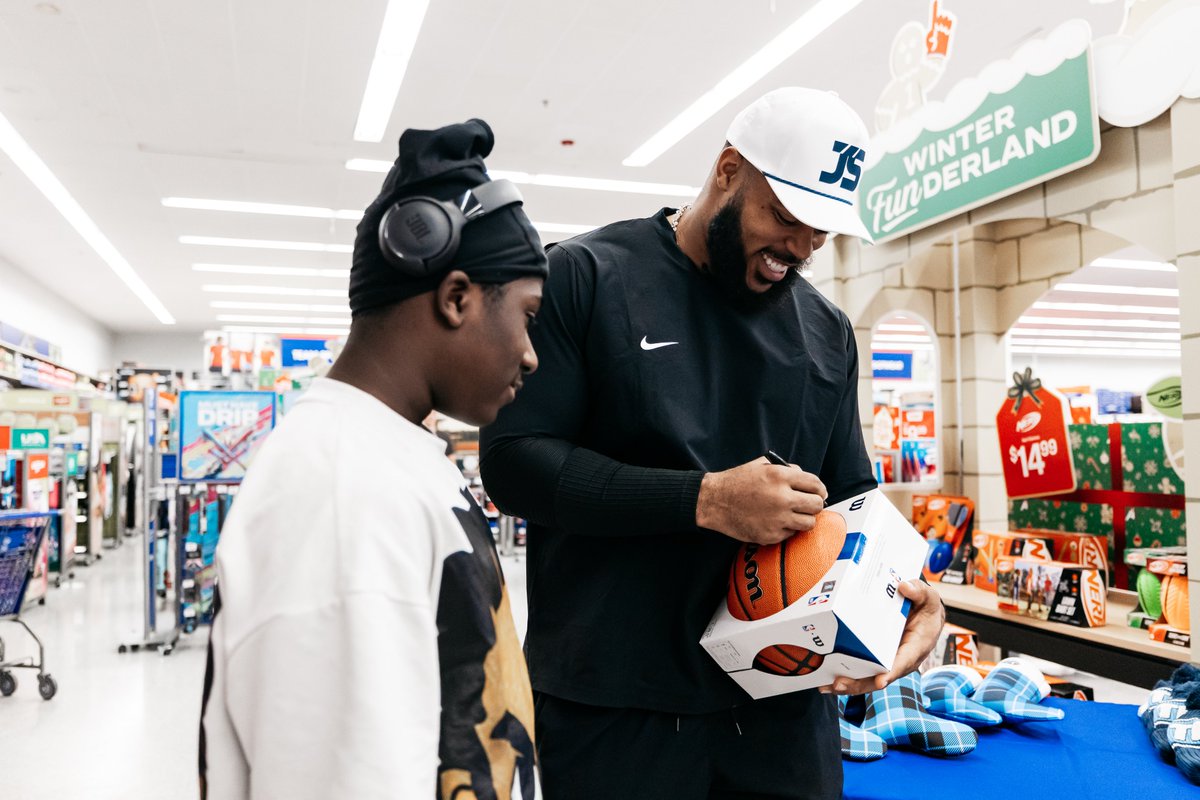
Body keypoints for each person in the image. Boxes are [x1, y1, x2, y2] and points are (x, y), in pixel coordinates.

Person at [480, 87, 945, 799]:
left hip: (782, 710)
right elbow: (514, 461)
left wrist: (908, 598)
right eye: (785, 217)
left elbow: (853, 502)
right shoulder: (586, 276)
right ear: (729, 170)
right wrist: (704, 500)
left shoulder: (826, 333)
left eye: (821, 233)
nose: (801, 248)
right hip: (616, 707)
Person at [200, 119, 547, 800]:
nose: (531, 355)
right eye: (528, 316)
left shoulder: (387, 456)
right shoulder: (342, 494)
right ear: (456, 298)